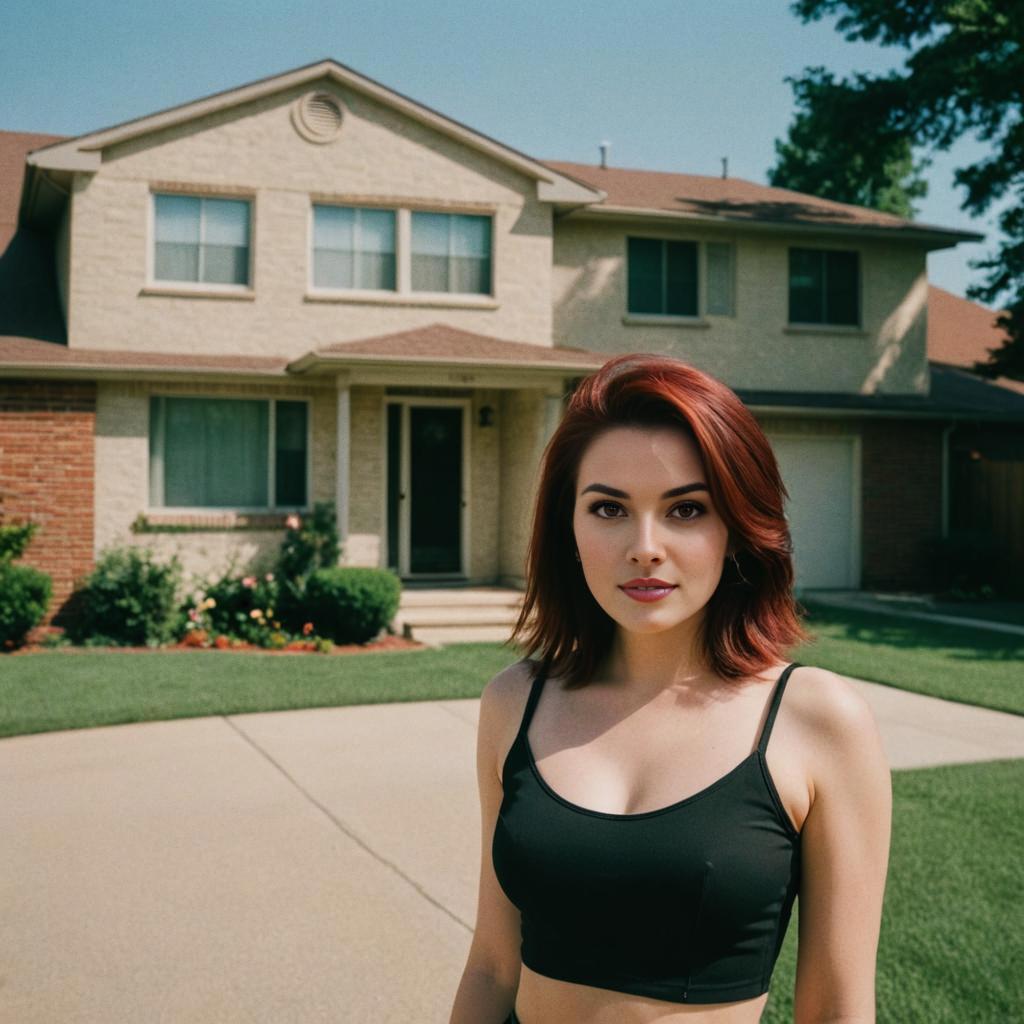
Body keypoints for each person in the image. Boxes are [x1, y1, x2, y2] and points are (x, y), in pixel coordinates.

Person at [448, 353, 892, 1024]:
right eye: (609, 508)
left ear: (737, 529)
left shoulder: (819, 721)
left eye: (685, 509)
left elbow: (836, 1008)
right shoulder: (514, 702)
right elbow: (491, 964)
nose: (645, 546)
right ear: (568, 527)